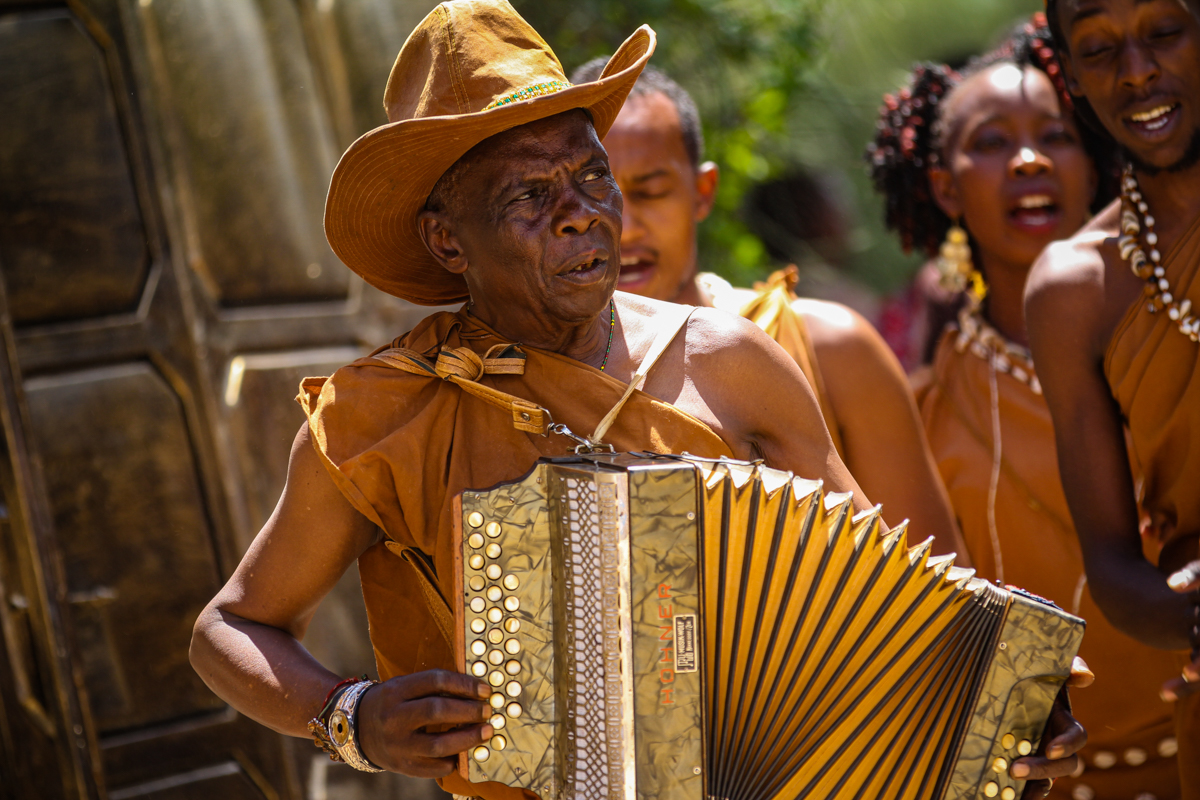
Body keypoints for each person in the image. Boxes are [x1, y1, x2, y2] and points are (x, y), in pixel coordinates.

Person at [188, 2, 1088, 798]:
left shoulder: (732, 360)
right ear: (447, 242)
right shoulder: (379, 415)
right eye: (531, 197)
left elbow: (903, 610)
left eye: (591, 176)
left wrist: (1007, 708)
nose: (583, 213)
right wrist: (349, 716)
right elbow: (228, 628)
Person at [871, 16, 1186, 800]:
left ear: (1094, 159)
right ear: (943, 187)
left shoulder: (1166, 329)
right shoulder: (920, 411)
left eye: (1056, 135)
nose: (1029, 159)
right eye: (990, 142)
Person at [568, 58, 966, 560]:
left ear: (703, 192)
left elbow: (944, 590)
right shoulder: (530, 375)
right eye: (591, 191)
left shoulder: (830, 347)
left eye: (650, 191)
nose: (622, 222)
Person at [1026, 0, 1200, 795]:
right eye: (1098, 49)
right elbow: (1113, 570)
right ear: (1072, 80)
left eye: (1165, 31)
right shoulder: (1074, 287)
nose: (1137, 72)